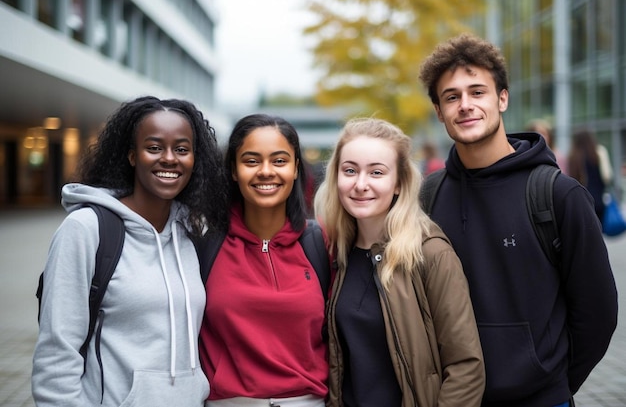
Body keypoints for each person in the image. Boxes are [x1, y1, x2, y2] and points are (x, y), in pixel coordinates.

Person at [418, 33, 618, 407]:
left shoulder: (559, 195)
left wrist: (551, 383)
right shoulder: (428, 196)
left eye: (477, 92)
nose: (465, 105)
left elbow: (598, 314)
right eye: (452, 96)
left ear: (502, 98)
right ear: (439, 110)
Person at [32, 96, 229, 407]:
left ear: (195, 158)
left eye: (181, 149)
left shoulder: (192, 234)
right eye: (153, 147)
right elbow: (57, 355)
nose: (169, 158)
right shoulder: (86, 229)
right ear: (132, 155)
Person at [314, 117, 485, 407]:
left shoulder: (429, 252)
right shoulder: (334, 252)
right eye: (350, 170)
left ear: (398, 183)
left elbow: (466, 368)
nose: (360, 184)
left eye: (377, 172)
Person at [198, 114, 328, 407]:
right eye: (251, 161)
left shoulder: (322, 245)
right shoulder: (204, 246)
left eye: (279, 161)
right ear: (233, 170)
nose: (266, 171)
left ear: (296, 168)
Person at [567, 129, 613, 222]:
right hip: (599, 198)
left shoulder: (573, 156)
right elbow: (607, 176)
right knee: (599, 229)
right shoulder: (599, 152)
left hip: (581, 199)